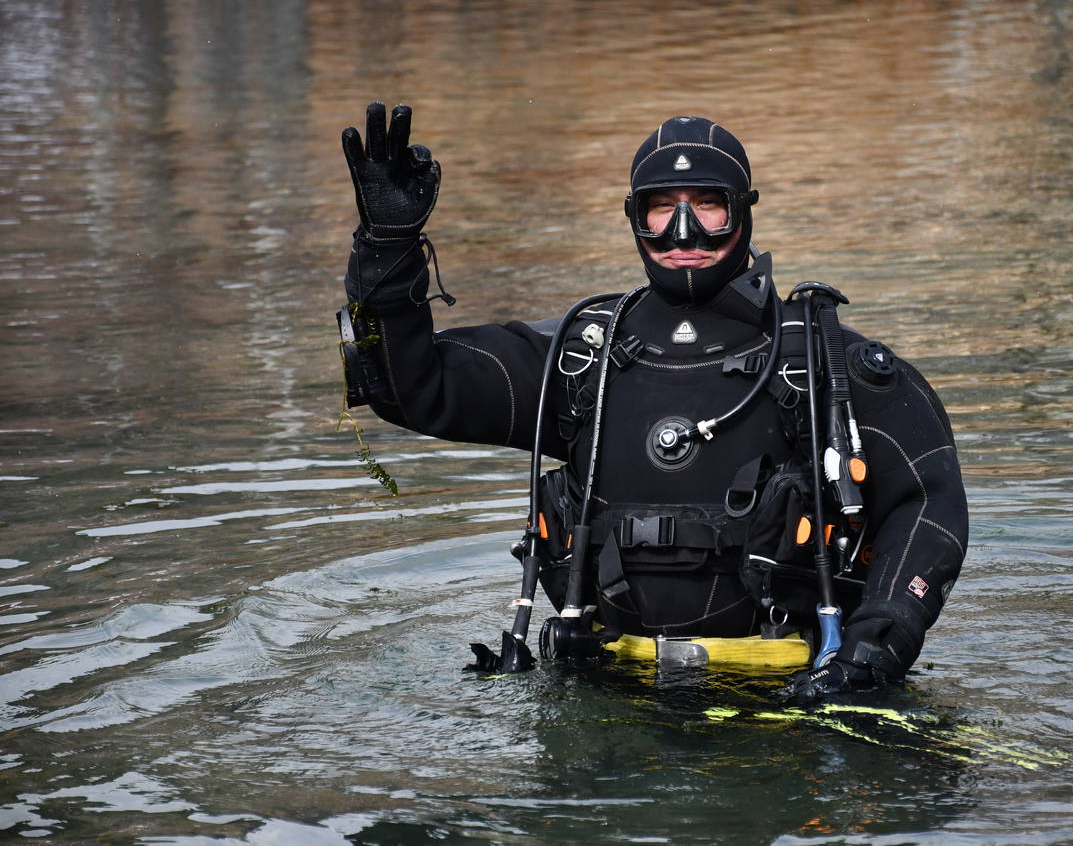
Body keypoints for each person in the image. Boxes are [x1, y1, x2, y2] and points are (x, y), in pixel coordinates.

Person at [337, 103, 968, 700]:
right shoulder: (581, 358)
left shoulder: (821, 362)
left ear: (743, 211)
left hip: (789, 697)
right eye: (661, 208)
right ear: (633, 216)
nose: (683, 231)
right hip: (607, 696)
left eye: (708, 207)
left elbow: (929, 498)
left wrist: (872, 653)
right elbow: (412, 387)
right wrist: (388, 246)